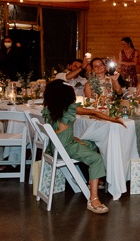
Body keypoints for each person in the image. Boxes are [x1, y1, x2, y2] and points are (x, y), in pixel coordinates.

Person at [42, 79, 124, 214]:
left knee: (91, 144)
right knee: (96, 158)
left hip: (55, 147)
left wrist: (73, 138)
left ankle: (93, 180)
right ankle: (93, 199)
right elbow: (94, 113)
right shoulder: (69, 108)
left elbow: (58, 130)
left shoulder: (49, 109)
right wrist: (114, 120)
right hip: (65, 148)